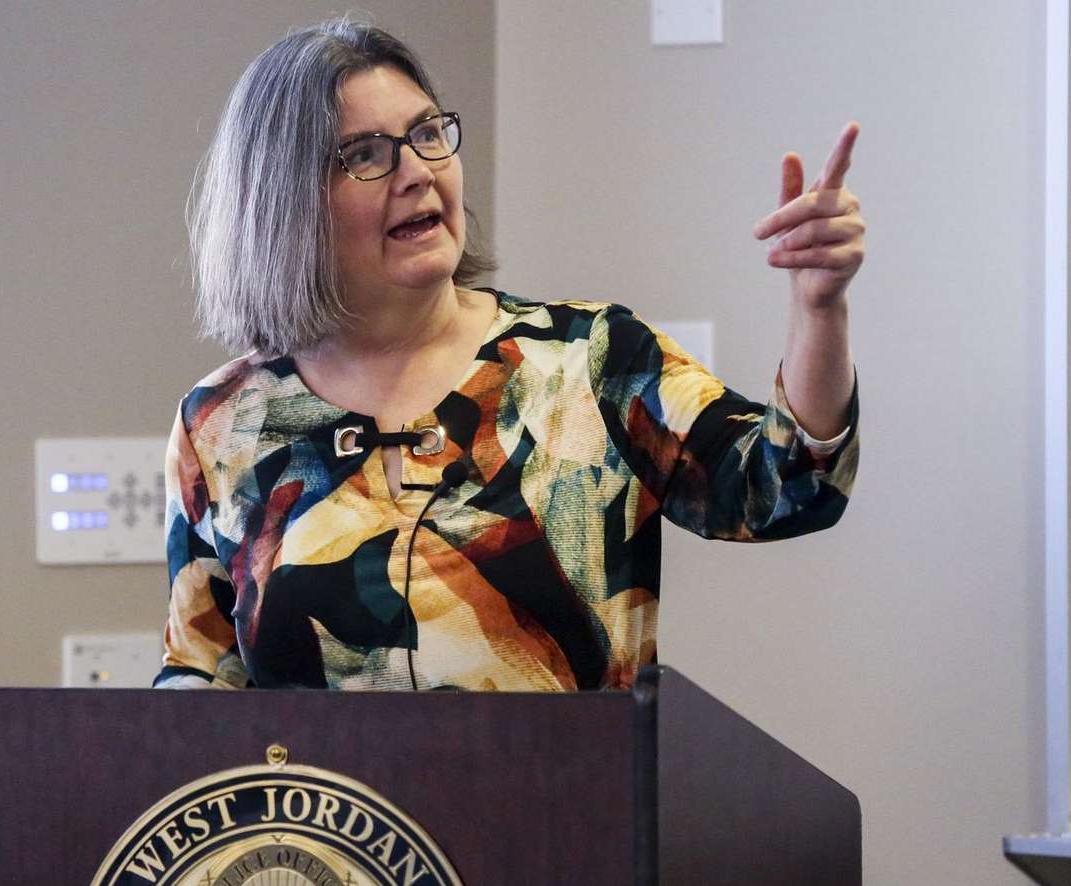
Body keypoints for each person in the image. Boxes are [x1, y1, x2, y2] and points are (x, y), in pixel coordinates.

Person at [156, 19, 863, 691]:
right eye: (366, 154)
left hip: (566, 810)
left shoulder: (592, 360)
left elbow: (790, 488)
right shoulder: (222, 424)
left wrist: (819, 308)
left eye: (428, 133)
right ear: (284, 199)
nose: (418, 172)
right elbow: (199, 677)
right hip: (324, 822)